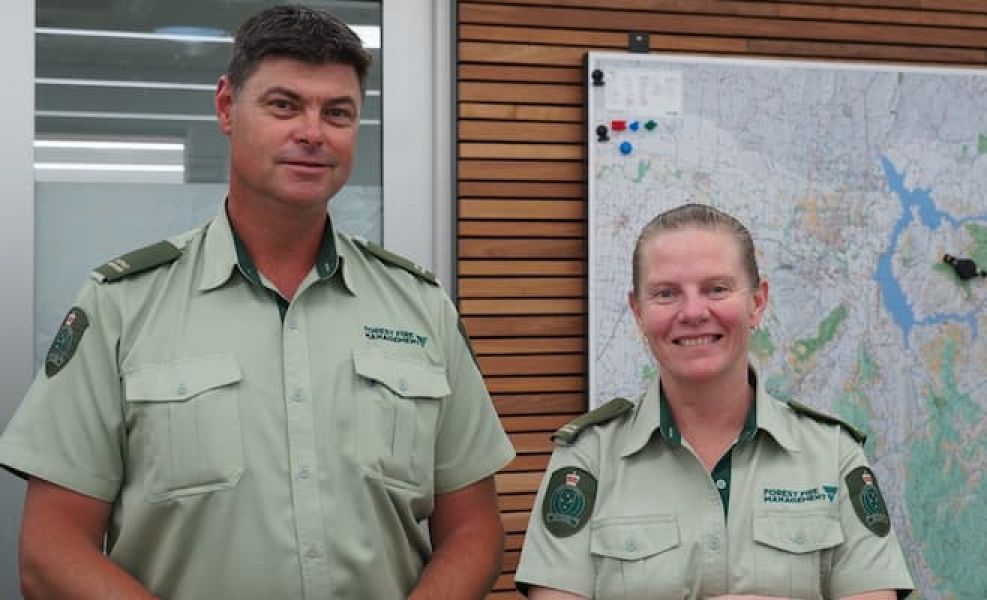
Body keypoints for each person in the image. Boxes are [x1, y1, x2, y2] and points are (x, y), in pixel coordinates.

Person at [0, 5, 514, 599]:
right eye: (284, 105)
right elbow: (49, 549)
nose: (312, 132)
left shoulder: (419, 307)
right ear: (226, 107)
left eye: (338, 112)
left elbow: (474, 530)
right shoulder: (123, 304)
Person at [514, 203, 913, 599]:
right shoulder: (588, 459)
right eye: (666, 293)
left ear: (757, 302)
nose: (692, 312)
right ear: (637, 312)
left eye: (716, 289)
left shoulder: (833, 455)